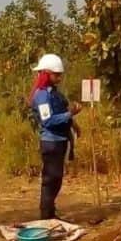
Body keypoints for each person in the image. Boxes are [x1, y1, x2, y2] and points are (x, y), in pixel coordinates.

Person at [29, 53, 82, 220]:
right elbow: (48, 120)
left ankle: (50, 214)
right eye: (56, 74)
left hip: (60, 141)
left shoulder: (54, 93)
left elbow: (60, 112)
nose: (59, 78)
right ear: (46, 73)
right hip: (51, 142)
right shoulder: (43, 95)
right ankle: (46, 216)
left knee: (56, 179)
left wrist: (73, 124)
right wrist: (69, 114)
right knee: (51, 180)